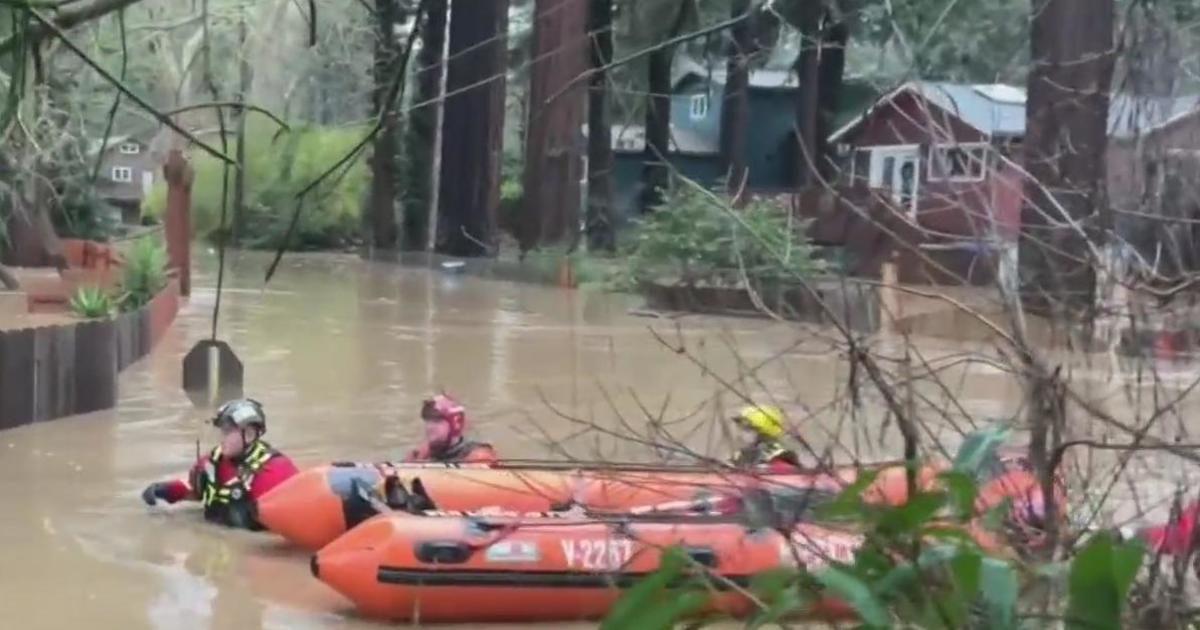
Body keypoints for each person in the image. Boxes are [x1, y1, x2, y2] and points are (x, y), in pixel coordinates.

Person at [141, 398, 299, 530]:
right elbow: (194, 489)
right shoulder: (210, 463)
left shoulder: (276, 471)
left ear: (249, 434)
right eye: (221, 431)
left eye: (228, 431)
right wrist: (165, 491)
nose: (221, 437)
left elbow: (296, 520)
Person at [406, 394, 498, 463]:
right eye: (427, 420)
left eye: (437, 421)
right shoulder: (421, 453)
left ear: (455, 425)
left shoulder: (479, 458)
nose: (429, 426)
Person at [729, 404, 803, 473]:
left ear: (762, 432)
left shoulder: (777, 458)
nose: (739, 434)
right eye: (740, 429)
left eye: (746, 429)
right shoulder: (741, 455)